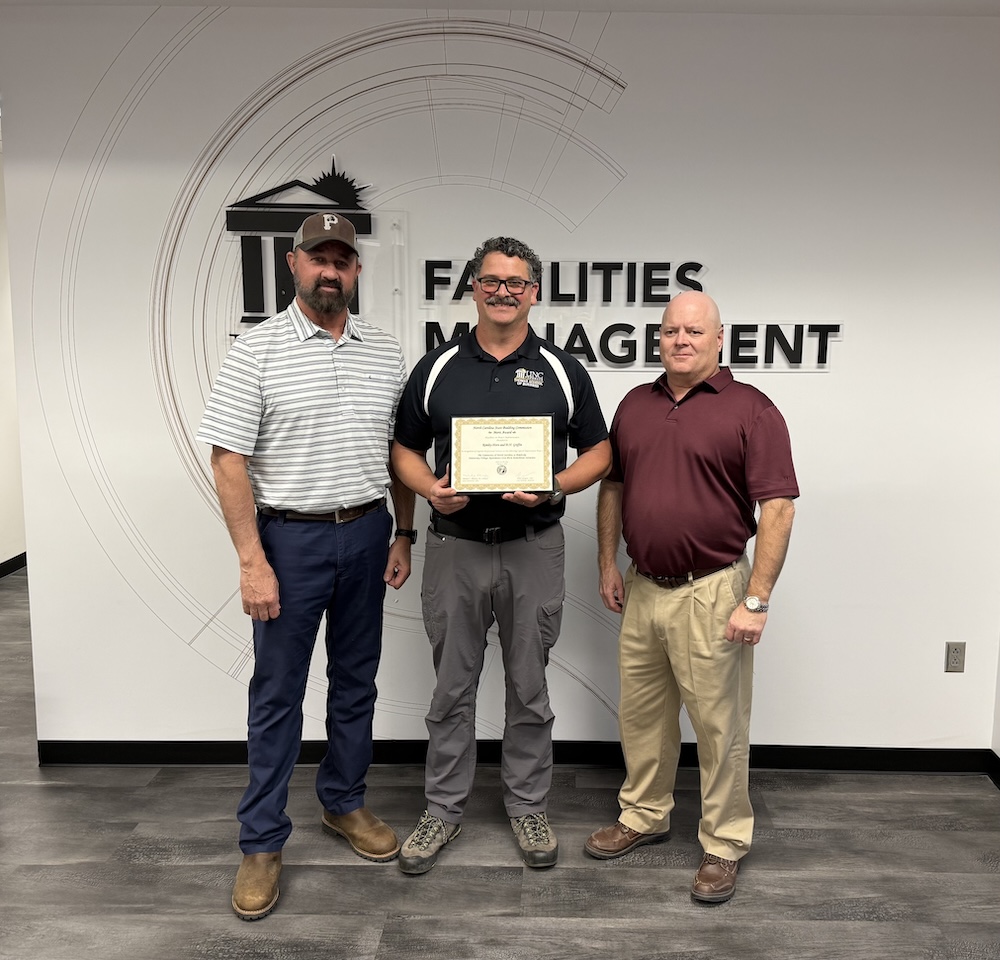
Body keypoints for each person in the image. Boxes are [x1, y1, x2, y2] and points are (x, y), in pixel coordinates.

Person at [197, 212, 416, 920]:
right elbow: (228, 460)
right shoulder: (256, 350)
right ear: (293, 264)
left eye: (342, 260)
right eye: (318, 258)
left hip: (368, 531)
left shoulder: (385, 352)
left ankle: (343, 802)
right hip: (289, 543)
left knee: (356, 683)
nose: (330, 271)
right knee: (277, 693)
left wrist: (404, 531)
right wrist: (251, 561)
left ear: (357, 270)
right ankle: (262, 840)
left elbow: (398, 454)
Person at [391, 236, 611, 874]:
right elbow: (403, 448)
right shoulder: (437, 367)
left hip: (532, 548)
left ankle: (528, 806)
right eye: (491, 281)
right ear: (474, 288)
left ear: (534, 292)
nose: (503, 292)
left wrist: (555, 485)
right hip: (454, 548)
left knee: (529, 685)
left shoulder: (562, 370)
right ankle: (442, 808)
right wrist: (428, 488)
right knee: (451, 687)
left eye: (516, 282)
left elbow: (600, 451)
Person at [584, 291, 797, 904]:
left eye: (694, 331)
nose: (680, 340)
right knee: (642, 716)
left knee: (719, 725)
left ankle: (724, 843)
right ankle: (644, 815)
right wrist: (607, 561)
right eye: (670, 330)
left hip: (714, 590)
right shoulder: (635, 404)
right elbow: (612, 487)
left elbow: (778, 507)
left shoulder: (753, 409)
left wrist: (756, 600)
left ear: (719, 339)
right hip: (644, 586)